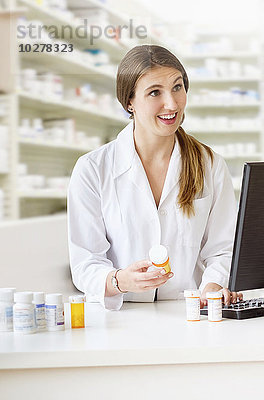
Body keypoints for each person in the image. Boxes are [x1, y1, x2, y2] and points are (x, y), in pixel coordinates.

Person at [68, 45, 242, 310]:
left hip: (191, 313)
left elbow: (223, 248)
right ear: (129, 102)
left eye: (177, 87)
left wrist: (213, 286)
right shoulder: (93, 169)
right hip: (121, 317)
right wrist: (120, 280)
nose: (172, 104)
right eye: (154, 92)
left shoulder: (210, 164)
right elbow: (85, 261)